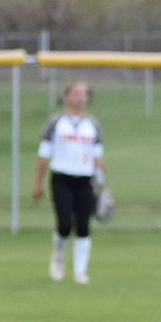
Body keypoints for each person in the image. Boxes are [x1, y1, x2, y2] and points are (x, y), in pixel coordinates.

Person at [31, 80, 106, 284]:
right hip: (62, 178)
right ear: (66, 96)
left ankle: (80, 271)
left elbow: (98, 157)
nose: (80, 98)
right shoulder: (55, 123)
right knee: (64, 224)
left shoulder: (93, 125)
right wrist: (38, 183)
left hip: (85, 180)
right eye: (76, 93)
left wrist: (102, 184)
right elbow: (44, 155)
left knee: (83, 225)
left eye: (83, 94)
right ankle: (58, 259)